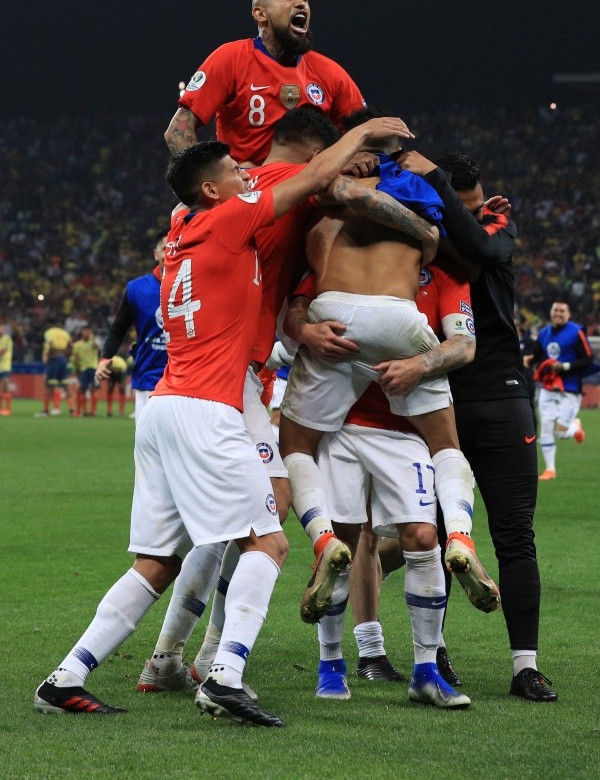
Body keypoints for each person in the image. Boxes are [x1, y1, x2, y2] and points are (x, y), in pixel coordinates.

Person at [34, 116, 415, 727]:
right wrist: (363, 133)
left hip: (162, 406)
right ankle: (226, 675)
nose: (249, 177)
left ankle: (68, 675)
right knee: (267, 541)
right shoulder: (231, 217)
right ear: (214, 191)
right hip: (210, 406)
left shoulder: (182, 223)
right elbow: (316, 174)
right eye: (237, 174)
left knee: (157, 561)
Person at [135, 107, 436, 697]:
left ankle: (177, 656)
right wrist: (429, 229)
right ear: (318, 153)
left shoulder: (225, 198)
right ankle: (202, 658)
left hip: (212, 373)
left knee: (228, 521)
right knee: (257, 514)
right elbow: (342, 183)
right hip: (225, 378)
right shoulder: (274, 186)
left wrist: (296, 329)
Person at [278, 119, 498, 626]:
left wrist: (344, 159)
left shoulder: (325, 192)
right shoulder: (424, 194)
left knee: (295, 446)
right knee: (447, 447)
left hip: (334, 311)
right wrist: (425, 231)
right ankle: (461, 535)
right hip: (400, 317)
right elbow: (454, 257)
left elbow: (334, 190)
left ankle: (322, 540)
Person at [397, 149, 558, 702]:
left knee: (515, 535)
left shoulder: (489, 227)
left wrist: (439, 189)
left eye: (466, 208)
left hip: (502, 396)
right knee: (437, 536)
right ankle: (434, 654)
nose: (460, 218)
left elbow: (483, 247)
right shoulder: (419, 234)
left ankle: (524, 666)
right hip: (438, 400)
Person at [285, 256, 476, 707]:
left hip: (404, 430)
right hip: (342, 427)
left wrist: (422, 365)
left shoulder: (444, 275)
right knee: (343, 544)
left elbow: (463, 345)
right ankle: (330, 664)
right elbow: (297, 308)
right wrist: (306, 330)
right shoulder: (340, 264)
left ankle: (425, 671)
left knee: (424, 535)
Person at [164, 0, 365, 165]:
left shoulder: (329, 71)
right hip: (250, 189)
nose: (301, 3)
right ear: (260, 14)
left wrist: (383, 154)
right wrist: (211, 180)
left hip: (311, 185)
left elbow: (367, 131)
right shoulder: (231, 58)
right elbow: (177, 132)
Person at [95, 230, 169, 420]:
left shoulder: (197, 285)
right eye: (165, 248)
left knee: (181, 449)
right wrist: (104, 359)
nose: (169, 253)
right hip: (148, 379)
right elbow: (118, 329)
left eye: (175, 247)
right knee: (147, 448)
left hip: (186, 383)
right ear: (156, 253)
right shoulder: (137, 289)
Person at [530, 301, 593, 481]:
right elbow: (537, 356)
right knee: (547, 426)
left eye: (562, 311)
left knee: (561, 432)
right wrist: (528, 359)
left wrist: (564, 366)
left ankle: (575, 427)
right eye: (555, 310)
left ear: (568, 314)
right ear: (551, 313)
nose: (558, 313)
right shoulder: (543, 334)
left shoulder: (577, 331)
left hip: (570, 388)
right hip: (548, 387)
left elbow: (588, 359)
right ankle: (550, 470)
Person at [35, 321, 73, 417]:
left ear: (49, 325)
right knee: (65, 384)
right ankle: (72, 410)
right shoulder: (65, 333)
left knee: (49, 385)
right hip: (63, 360)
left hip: (54, 360)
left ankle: (49, 410)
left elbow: (49, 344)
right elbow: (71, 346)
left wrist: (46, 357)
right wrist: (64, 354)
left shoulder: (49, 332)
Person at [70, 325, 100, 417]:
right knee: (81, 390)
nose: (86, 333)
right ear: (81, 332)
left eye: (88, 331)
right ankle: (81, 411)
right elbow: (75, 359)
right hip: (83, 370)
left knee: (93, 389)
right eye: (85, 331)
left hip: (94, 368)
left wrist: (93, 338)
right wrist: (75, 369)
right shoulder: (77, 345)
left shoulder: (94, 342)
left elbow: (99, 348)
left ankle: (92, 411)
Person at [0, 324, 13, 416]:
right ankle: (1, 409)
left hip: (5, 367)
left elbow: (2, 351)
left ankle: (7, 409)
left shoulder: (7, 338)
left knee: (5, 387)